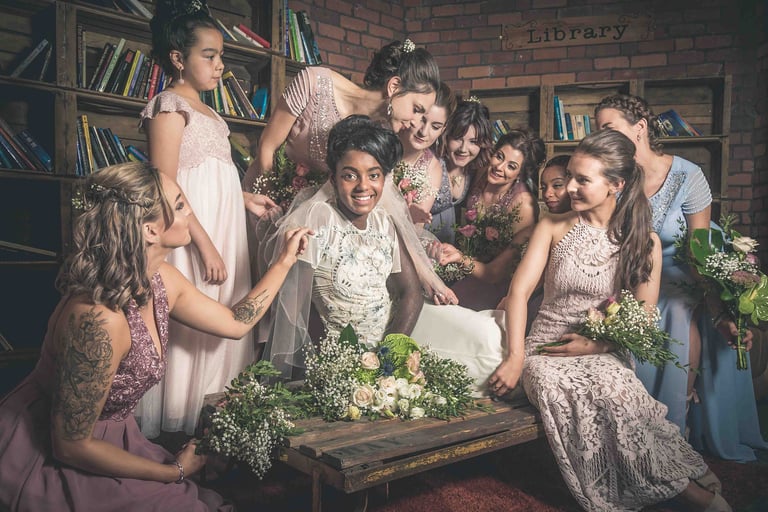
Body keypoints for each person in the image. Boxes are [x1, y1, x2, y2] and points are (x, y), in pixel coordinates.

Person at [0, 162, 311, 512]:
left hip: (113, 439)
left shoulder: (161, 277)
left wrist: (284, 261)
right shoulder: (98, 320)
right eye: (179, 205)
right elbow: (71, 445)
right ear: (150, 230)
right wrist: (173, 472)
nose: (190, 211)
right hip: (57, 451)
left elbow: (236, 323)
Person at [490, 129, 730, 512]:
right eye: (569, 176)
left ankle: (676, 486)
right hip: (546, 351)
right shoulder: (553, 226)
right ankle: (689, 495)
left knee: (617, 390)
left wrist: (599, 345)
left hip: (603, 350)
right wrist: (517, 357)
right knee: (572, 391)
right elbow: (519, 293)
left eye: (582, 179)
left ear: (615, 184)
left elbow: (644, 315)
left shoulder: (642, 240)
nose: (569, 187)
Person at [264, 115, 506, 392]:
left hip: (399, 335)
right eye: (350, 175)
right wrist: (323, 368)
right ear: (333, 177)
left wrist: (388, 357)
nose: (363, 186)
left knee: (489, 338)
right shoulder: (317, 218)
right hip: (343, 355)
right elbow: (295, 308)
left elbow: (410, 292)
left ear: (384, 178)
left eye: (374, 175)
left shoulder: (383, 221)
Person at [246, 39, 456, 351]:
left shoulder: (380, 129)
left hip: (315, 212)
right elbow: (266, 146)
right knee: (251, 303)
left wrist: (426, 274)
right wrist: (267, 204)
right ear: (394, 86)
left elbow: (387, 201)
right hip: (264, 201)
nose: (415, 122)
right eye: (416, 109)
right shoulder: (313, 82)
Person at [595, 94, 767, 462]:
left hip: (684, 270)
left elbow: (699, 252)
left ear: (639, 128)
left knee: (673, 307)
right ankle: (628, 424)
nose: (601, 135)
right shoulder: (614, 176)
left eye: (608, 127)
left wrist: (720, 308)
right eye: (598, 130)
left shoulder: (688, 175)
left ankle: (677, 420)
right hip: (632, 269)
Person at [135, 0, 270, 437]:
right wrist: (204, 243)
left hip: (224, 229)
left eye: (221, 56)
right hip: (192, 237)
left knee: (227, 315)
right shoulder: (170, 106)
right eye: (209, 56)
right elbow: (166, 186)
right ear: (178, 58)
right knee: (195, 320)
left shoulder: (212, 113)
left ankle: (215, 418)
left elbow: (211, 175)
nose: (219, 66)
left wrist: (243, 198)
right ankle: (180, 422)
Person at [438, 129, 544, 311]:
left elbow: (496, 273)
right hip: (466, 269)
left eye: (511, 166)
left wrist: (461, 259)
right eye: (499, 156)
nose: (499, 167)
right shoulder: (481, 175)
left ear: (520, 174)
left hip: (497, 284)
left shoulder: (523, 205)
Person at [426, 98, 493, 243]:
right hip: (421, 240)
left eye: (473, 142)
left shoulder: (473, 169)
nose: (463, 149)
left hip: (447, 243)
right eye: (457, 138)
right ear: (446, 135)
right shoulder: (431, 163)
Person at [396, 81, 457, 229]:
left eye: (435, 127)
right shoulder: (384, 139)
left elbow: (416, 231)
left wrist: (410, 214)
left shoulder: (432, 168)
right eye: (422, 120)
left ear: (443, 129)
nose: (424, 132)